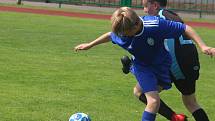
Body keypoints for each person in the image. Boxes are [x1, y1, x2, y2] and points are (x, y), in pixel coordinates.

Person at [74, 7, 215, 121]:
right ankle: (133, 67)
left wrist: (203, 46)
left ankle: (130, 67)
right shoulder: (122, 32)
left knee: (142, 92)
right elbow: (110, 35)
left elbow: (185, 28)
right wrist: (90, 45)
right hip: (143, 67)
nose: (124, 36)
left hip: (161, 65)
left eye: (127, 33)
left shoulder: (154, 25)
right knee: (153, 102)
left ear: (137, 25)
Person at [120, 0, 214, 121]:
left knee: (141, 91)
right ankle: (176, 117)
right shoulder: (170, 15)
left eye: (145, 6)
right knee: (191, 102)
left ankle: (175, 118)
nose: (144, 10)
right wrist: (202, 46)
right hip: (189, 61)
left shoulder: (159, 18)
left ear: (155, 5)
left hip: (173, 64)